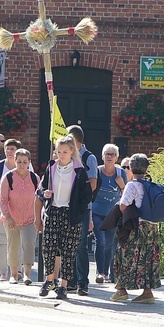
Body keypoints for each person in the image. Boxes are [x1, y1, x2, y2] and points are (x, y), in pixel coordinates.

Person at [34, 135, 93, 300]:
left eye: (64, 152)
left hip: (70, 214)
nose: (61, 155)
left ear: (72, 151)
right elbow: (40, 188)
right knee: (49, 247)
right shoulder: (51, 167)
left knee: (68, 250)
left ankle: (64, 285)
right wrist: (44, 194)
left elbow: (87, 196)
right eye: (58, 151)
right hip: (53, 211)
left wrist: (79, 211)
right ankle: (49, 280)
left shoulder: (80, 171)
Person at [111, 154, 161, 303]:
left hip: (136, 226)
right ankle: (147, 292)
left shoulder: (132, 185)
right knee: (148, 258)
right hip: (151, 227)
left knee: (125, 253)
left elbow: (123, 205)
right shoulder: (151, 185)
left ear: (131, 169)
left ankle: (121, 290)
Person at [0, 148, 39, 285]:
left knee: (28, 243)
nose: (22, 164)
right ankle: (14, 274)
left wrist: (39, 217)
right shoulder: (8, 178)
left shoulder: (34, 178)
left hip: (30, 218)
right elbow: (2, 200)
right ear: (15, 161)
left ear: (29, 162)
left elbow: (39, 198)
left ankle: (27, 274)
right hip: (12, 218)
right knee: (13, 246)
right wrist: (8, 217)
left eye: (25, 162)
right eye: (19, 161)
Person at [66, 125, 98, 296]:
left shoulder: (88, 157)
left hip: (82, 207)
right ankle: (69, 280)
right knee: (68, 244)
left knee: (80, 245)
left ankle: (82, 282)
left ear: (75, 140)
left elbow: (92, 184)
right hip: (66, 206)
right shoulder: (66, 156)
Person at [0, 138, 23, 281]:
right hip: (0, 206)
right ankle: (3, 273)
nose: (9, 152)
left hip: (18, 208)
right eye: (7, 149)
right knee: (2, 240)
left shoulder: (25, 166)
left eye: (12, 149)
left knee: (17, 240)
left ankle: (18, 271)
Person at [92, 144, 126, 284]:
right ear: (102, 156)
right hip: (96, 212)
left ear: (117, 157)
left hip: (113, 214)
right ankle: (100, 272)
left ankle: (106, 273)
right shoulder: (97, 171)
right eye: (107, 154)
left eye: (112, 154)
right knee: (101, 242)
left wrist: (122, 185)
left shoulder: (120, 173)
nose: (109, 157)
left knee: (109, 244)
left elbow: (127, 195)